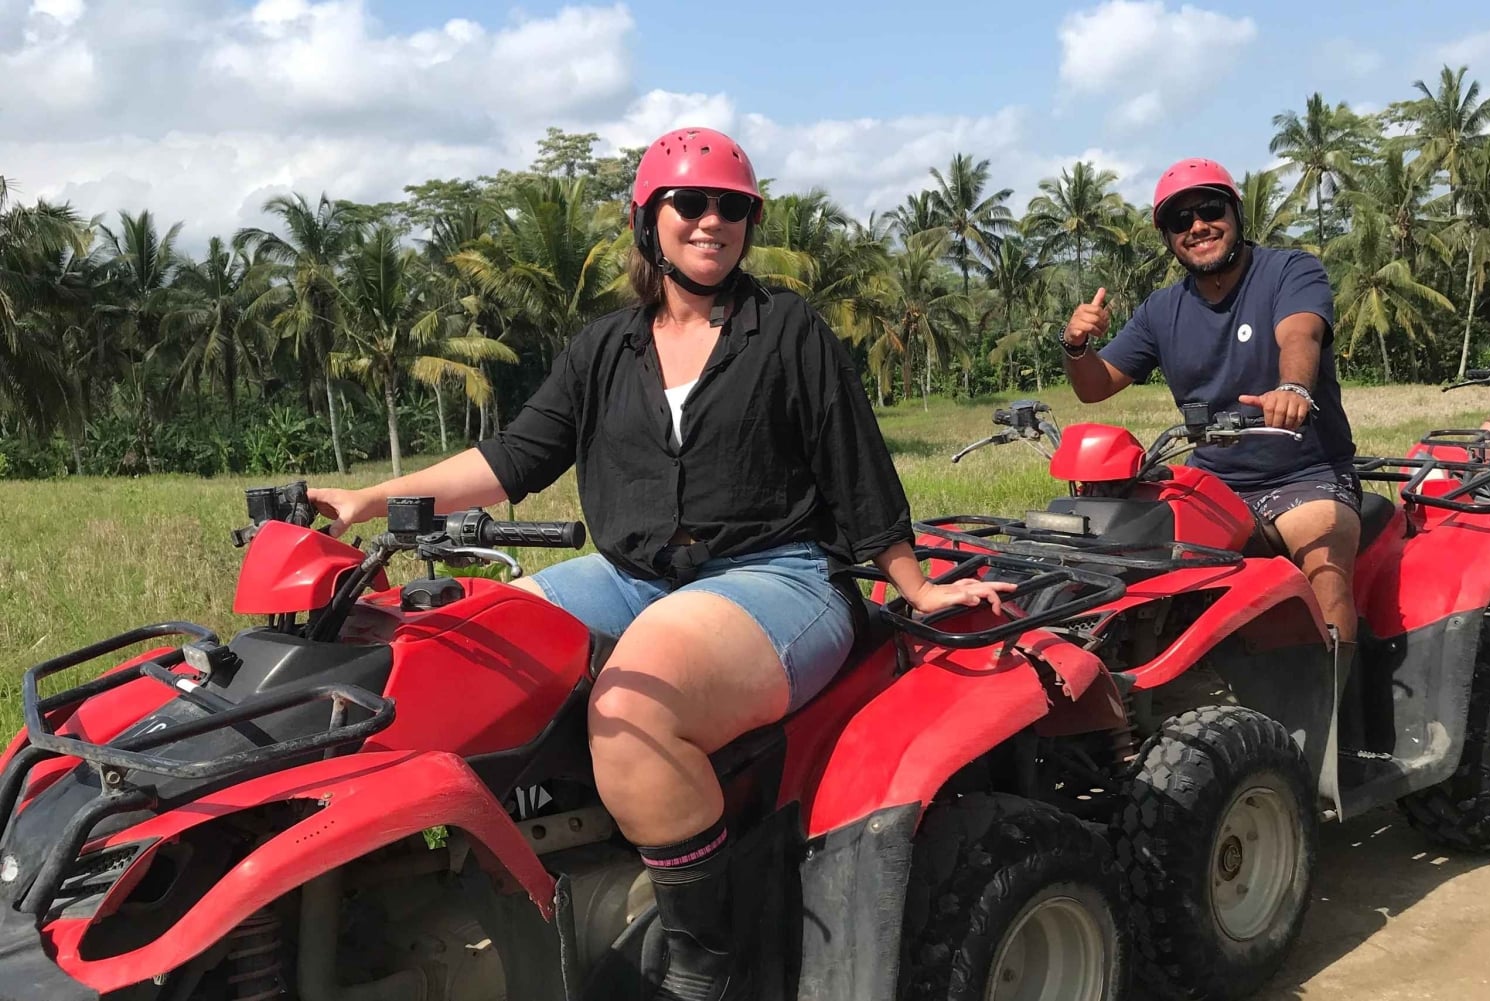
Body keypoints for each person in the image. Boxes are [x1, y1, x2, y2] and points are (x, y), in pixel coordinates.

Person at [309, 126, 1010, 1001]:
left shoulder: (787, 329)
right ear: (650, 220)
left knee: (633, 704)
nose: (712, 221)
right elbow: (515, 458)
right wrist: (370, 498)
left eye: (734, 207)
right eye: (691, 203)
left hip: (779, 577)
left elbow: (855, 464)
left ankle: (703, 960)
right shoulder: (606, 346)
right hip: (631, 575)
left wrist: (916, 584)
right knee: (457, 651)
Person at [1058, 157, 1361, 647]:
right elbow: (1094, 386)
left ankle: (1331, 712)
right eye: (1181, 221)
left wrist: (1293, 388)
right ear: (1169, 238)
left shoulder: (1289, 270)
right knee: (1117, 554)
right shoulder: (1162, 309)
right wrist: (1076, 345)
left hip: (1305, 476)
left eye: (1210, 210)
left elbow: (1299, 335)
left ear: (1236, 214)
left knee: (1325, 561)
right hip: (1212, 483)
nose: (1198, 226)